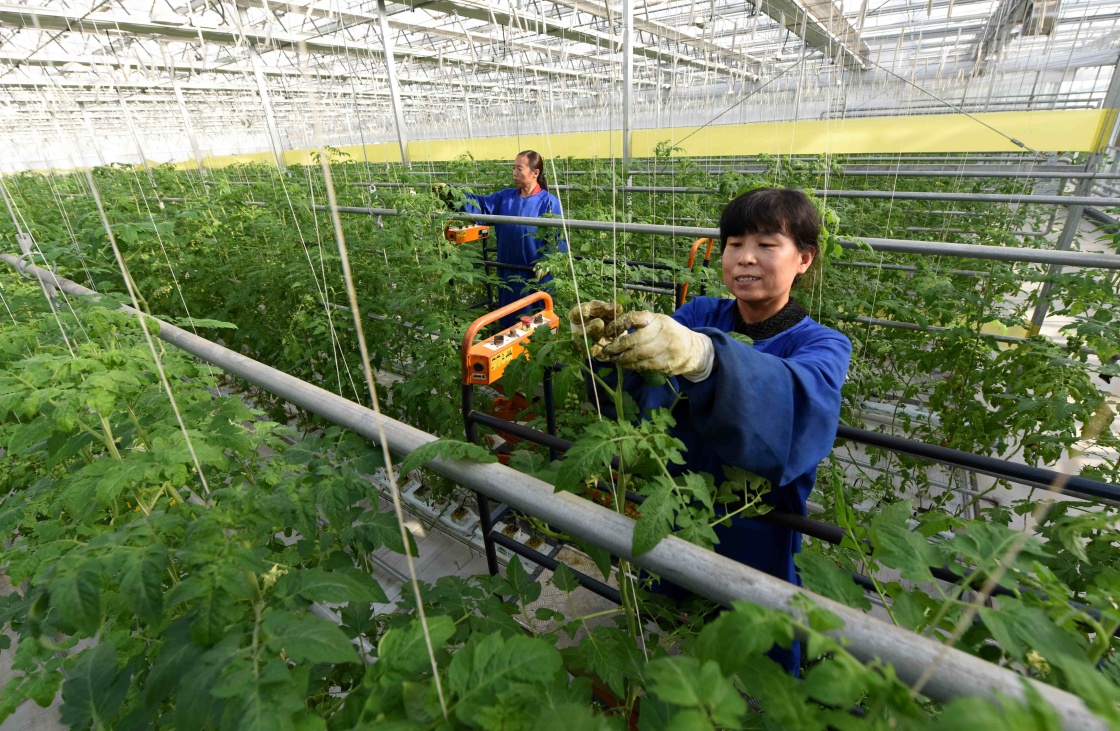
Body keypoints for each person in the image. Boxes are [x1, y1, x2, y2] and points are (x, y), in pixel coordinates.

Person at [570, 188, 852, 674]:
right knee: (672, 613)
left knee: (755, 647)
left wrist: (708, 359)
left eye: (766, 245)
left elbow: (801, 405)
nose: (744, 258)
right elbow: (641, 390)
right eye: (733, 243)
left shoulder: (822, 344)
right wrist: (609, 347)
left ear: (803, 259)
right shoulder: (700, 314)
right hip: (676, 503)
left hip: (754, 525)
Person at [440, 151, 567, 327]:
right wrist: (451, 195)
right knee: (508, 326)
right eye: (513, 168)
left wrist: (548, 261)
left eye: (519, 169)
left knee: (535, 328)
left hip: (535, 278)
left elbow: (558, 240)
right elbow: (481, 205)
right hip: (507, 274)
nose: (514, 173)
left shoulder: (549, 203)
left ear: (535, 173)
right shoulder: (505, 198)